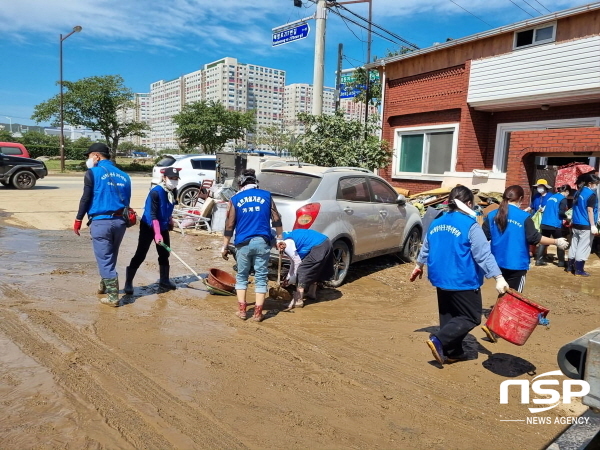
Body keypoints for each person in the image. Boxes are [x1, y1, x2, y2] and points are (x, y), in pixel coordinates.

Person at [409, 186, 509, 366]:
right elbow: (484, 255)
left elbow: (426, 247)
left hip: (440, 278)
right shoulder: (470, 225)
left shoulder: (436, 222)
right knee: (471, 316)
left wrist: (418, 265)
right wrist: (498, 277)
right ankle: (438, 339)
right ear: (469, 203)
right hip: (463, 280)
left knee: (450, 316)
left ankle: (453, 352)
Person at [73, 143, 131, 307]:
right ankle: (104, 285)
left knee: (104, 258)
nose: (88, 160)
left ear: (96, 156)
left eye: (89, 156)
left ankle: (113, 297)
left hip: (101, 222)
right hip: (120, 222)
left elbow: (86, 198)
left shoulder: (93, 172)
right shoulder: (124, 175)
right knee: (111, 255)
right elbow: (126, 201)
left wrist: (78, 220)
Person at [222, 169, 283, 322]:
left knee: (242, 276)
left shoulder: (235, 199)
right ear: (255, 182)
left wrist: (224, 247)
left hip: (243, 244)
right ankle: (258, 314)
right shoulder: (267, 196)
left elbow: (229, 225)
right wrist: (280, 238)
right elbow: (276, 219)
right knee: (261, 277)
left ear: (241, 183)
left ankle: (242, 311)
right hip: (263, 242)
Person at [483, 185, 569, 293]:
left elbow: (484, 238)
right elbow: (534, 238)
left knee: (504, 293)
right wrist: (556, 241)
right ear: (520, 199)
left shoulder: (491, 215)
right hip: (516, 263)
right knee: (514, 297)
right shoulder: (523, 216)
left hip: (497, 262)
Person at [124, 167, 180, 295]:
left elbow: (169, 207)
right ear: (164, 178)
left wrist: (170, 219)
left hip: (163, 225)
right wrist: (157, 233)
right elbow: (153, 214)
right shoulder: (155, 192)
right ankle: (128, 282)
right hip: (149, 225)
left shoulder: (173, 191)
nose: (174, 181)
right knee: (141, 254)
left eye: (176, 179)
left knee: (165, 253)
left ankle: (164, 279)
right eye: (171, 178)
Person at [277, 229, 334, 309]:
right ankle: (311, 293)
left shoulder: (286, 244)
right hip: (325, 242)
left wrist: (292, 279)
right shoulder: (285, 237)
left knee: (303, 270)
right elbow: (292, 263)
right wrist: (288, 278)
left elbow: (297, 263)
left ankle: (298, 300)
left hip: (320, 245)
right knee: (314, 268)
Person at [568, 173, 599, 277]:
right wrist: (593, 225)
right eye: (596, 184)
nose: (597, 186)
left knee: (574, 245)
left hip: (576, 223)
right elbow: (590, 210)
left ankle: (570, 267)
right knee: (584, 247)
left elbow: (575, 207)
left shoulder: (578, 192)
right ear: (590, 183)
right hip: (586, 224)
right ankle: (579, 269)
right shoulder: (591, 195)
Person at [539, 184, 571, 267]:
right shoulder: (563, 199)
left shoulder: (552, 197)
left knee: (543, 241)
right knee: (560, 241)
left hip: (545, 222)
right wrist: (567, 217)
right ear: (566, 192)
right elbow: (561, 213)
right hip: (554, 224)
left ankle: (538, 260)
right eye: (568, 193)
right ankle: (561, 262)